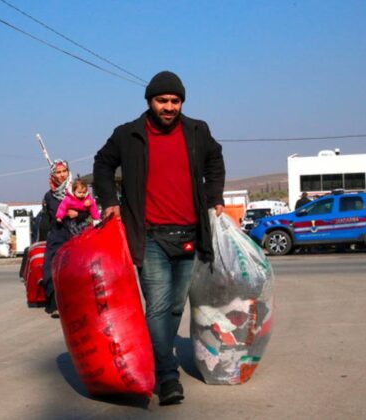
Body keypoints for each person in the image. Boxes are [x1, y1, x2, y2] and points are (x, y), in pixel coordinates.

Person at [93, 70, 225, 406]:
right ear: (150, 101)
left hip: (191, 236)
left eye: (175, 101)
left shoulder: (198, 131)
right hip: (149, 235)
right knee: (158, 306)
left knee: (175, 307)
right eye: (162, 100)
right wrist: (110, 202)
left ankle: (157, 357)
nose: (169, 107)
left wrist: (215, 197)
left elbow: (215, 159)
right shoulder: (128, 134)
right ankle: (167, 376)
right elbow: (103, 163)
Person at [40, 160, 84, 319]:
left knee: (76, 270)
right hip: (57, 236)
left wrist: (78, 214)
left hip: (76, 235)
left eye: (64, 171)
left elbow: (89, 211)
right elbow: (49, 218)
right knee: (51, 270)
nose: (61, 175)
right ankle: (55, 305)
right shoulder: (49, 195)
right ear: (53, 174)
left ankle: (78, 303)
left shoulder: (78, 190)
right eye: (58, 172)